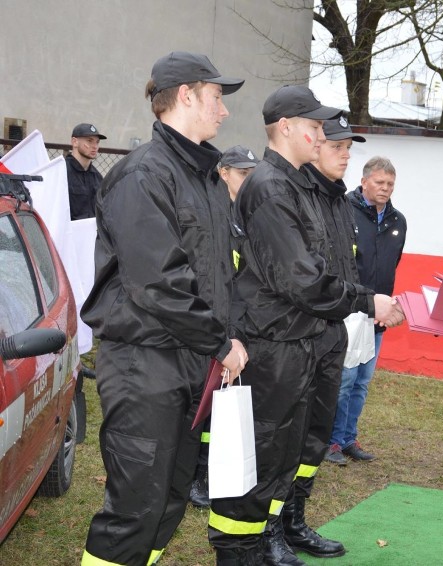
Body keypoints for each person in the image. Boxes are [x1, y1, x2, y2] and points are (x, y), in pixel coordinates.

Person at [208, 85, 403, 566]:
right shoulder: (272, 188)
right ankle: (246, 547)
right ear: (289, 128)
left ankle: (270, 533)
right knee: (265, 452)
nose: (322, 139)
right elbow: (302, 279)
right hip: (278, 343)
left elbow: (330, 267)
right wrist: (365, 301)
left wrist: (356, 301)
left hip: (310, 338)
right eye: (316, 129)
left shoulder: (300, 187)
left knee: (293, 447)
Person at [80, 51, 248, 566]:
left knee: (172, 498)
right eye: (217, 97)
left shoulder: (204, 179)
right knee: (135, 508)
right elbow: (159, 283)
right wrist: (221, 342)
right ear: (186, 96)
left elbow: (219, 274)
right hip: (143, 365)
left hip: (190, 361)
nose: (223, 111)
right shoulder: (143, 175)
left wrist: (228, 338)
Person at [267, 115, 368, 558]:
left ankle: (294, 520)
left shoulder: (339, 200)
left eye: (349, 148)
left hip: (331, 331)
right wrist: (364, 301)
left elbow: (344, 267)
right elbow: (300, 277)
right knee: (284, 438)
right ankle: (267, 528)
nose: (346, 155)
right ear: (315, 143)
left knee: (315, 436)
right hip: (294, 335)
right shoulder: (293, 194)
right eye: (338, 146)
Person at [189, 144, 260, 510]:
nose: (249, 180)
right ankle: (196, 476)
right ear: (224, 173)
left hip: (237, 324)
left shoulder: (246, 214)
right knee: (206, 406)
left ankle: (209, 473)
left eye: (253, 173)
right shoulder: (215, 212)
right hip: (211, 327)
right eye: (243, 173)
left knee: (221, 405)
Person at [326, 156, 407, 464]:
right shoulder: (343, 211)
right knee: (344, 380)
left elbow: (392, 264)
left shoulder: (398, 221)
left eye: (390, 184)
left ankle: (348, 438)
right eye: (379, 183)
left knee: (362, 381)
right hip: (350, 312)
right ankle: (330, 441)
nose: (385, 189)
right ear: (364, 182)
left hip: (378, 316)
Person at [66, 122, 106, 220]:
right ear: (74, 142)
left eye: (97, 142)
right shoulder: (62, 172)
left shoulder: (97, 177)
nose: (95, 146)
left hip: (93, 232)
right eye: (89, 141)